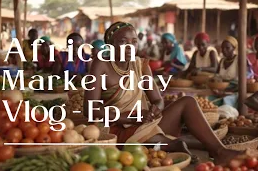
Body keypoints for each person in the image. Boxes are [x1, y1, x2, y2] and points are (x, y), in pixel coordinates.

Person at [83, 21, 247, 165]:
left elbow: (157, 100)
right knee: (150, 142)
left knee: (188, 102)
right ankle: (174, 144)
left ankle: (218, 151)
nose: (129, 47)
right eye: (122, 42)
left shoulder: (141, 65)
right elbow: (89, 110)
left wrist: (154, 111)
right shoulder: (101, 65)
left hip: (144, 123)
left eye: (133, 42)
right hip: (115, 129)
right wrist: (129, 118)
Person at [211, 36, 254, 107]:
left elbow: (246, 80)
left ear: (234, 48)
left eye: (227, 48)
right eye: (222, 48)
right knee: (207, 99)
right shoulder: (222, 61)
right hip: (221, 90)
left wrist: (227, 91)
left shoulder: (240, 59)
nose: (224, 50)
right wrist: (215, 83)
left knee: (226, 101)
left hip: (236, 90)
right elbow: (216, 77)